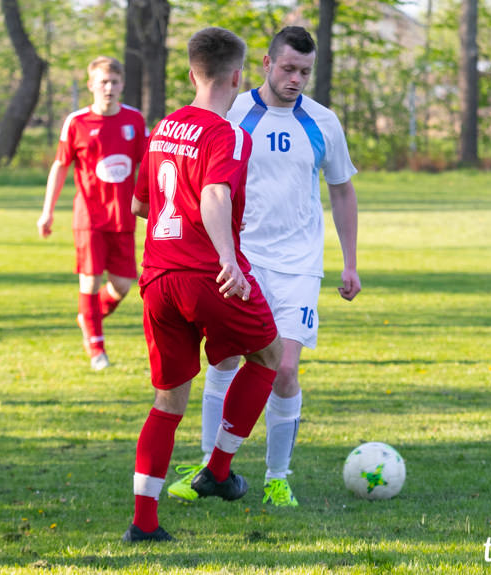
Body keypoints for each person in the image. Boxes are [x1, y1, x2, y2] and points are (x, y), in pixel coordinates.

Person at [166, 26, 361, 508]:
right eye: (288, 68)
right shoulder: (233, 113)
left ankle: (277, 475)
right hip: (240, 259)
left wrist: (350, 262)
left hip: (297, 266)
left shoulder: (323, 122)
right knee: (226, 360)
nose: (296, 79)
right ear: (267, 64)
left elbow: (341, 190)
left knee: (285, 370)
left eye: (305, 72)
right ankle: (211, 466)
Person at [122, 27, 284, 543]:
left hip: (158, 279)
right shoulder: (230, 133)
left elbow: (140, 206)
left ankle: (143, 524)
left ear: (192, 74)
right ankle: (217, 470)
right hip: (206, 275)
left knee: (168, 401)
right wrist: (228, 259)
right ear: (239, 76)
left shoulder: (163, 126)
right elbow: (215, 196)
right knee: (269, 355)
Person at [37, 56, 147, 371]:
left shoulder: (135, 121)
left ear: (122, 84)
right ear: (91, 85)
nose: (109, 88)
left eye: (114, 82)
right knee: (90, 280)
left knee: (124, 285)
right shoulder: (77, 122)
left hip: (123, 217)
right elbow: (60, 166)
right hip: (89, 219)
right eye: (103, 82)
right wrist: (47, 212)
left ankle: (89, 315)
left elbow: (147, 166)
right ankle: (97, 351)